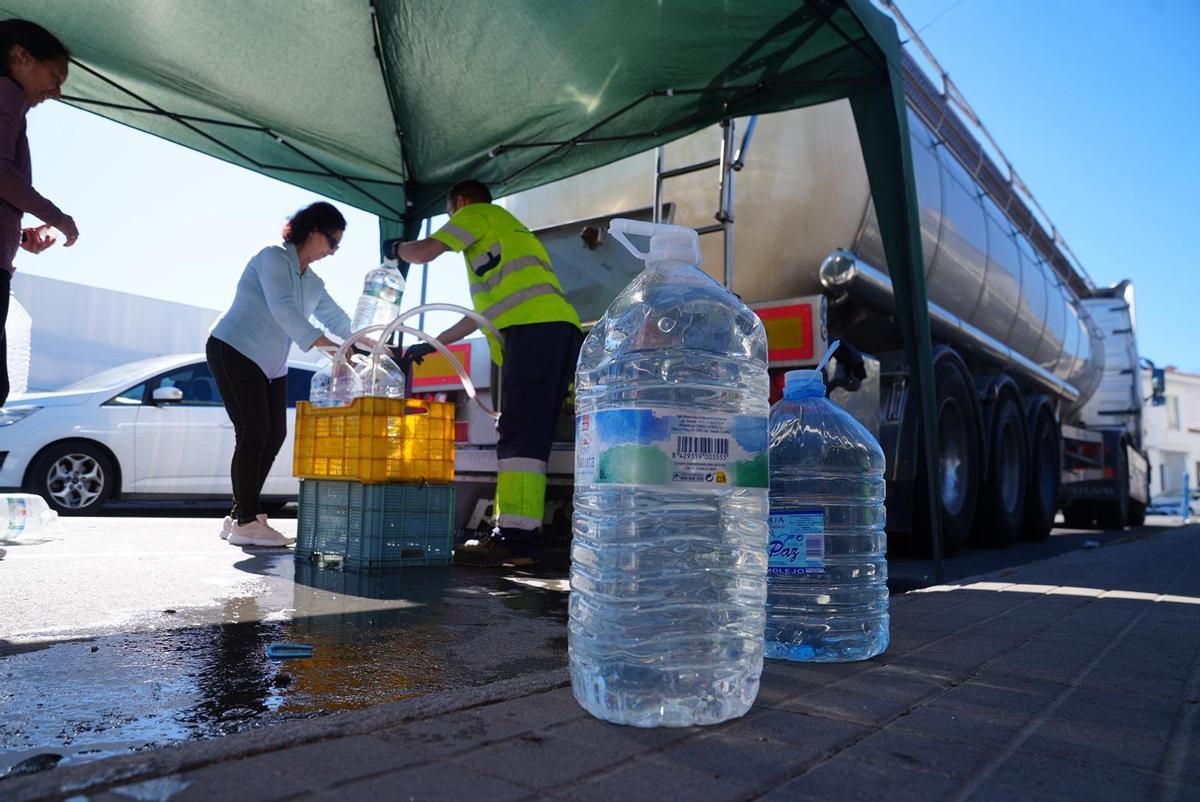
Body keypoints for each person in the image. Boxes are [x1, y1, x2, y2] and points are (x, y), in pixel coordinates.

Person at [389, 180, 582, 567]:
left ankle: (515, 537)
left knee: (520, 436)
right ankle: (530, 532)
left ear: (458, 203)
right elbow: (484, 315)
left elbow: (425, 251)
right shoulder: (507, 232)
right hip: (560, 331)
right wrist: (436, 343)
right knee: (536, 431)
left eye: (448, 215)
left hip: (532, 333)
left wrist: (395, 249)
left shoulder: (475, 215)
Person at [208, 202, 353, 547]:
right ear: (314, 231)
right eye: (333, 242)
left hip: (271, 363)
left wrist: (367, 340)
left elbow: (337, 318)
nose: (334, 252)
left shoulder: (313, 281)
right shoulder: (272, 257)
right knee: (254, 432)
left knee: (274, 435)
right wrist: (334, 349)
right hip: (234, 347)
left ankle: (238, 516)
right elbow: (284, 310)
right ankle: (246, 520)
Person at [0, 19, 80, 406]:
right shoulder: (6, 92)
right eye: (55, 76)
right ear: (22, 55)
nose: (58, 91)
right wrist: (59, 217)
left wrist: (18, 236)